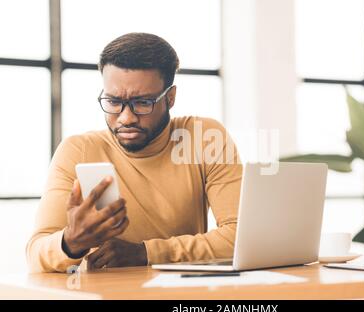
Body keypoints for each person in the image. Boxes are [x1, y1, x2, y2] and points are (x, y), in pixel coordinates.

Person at [26, 33, 242, 273]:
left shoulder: (204, 138)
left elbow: (240, 238)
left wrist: (146, 252)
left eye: (142, 103)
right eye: (113, 101)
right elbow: (36, 254)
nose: (126, 118)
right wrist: (71, 242)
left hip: (181, 296)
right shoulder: (79, 149)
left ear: (170, 98)